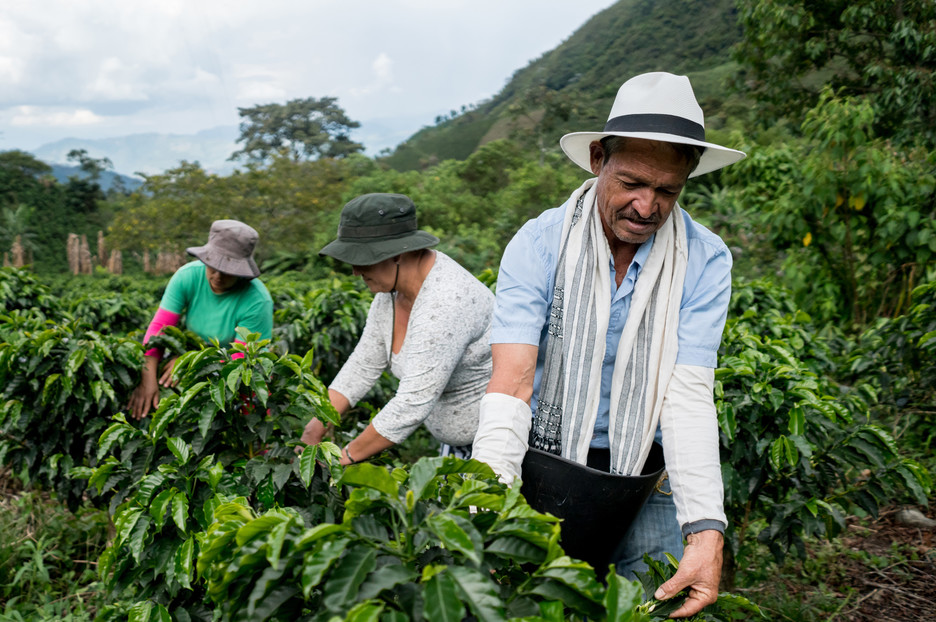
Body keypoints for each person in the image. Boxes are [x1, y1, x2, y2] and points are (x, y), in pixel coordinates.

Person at [471, 72, 746, 618]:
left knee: (653, 606)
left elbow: (686, 394)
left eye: (667, 191)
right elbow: (513, 381)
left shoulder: (704, 259)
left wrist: (706, 529)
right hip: (547, 460)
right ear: (598, 158)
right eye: (631, 183)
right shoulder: (539, 243)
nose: (647, 207)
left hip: (647, 469)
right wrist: (486, 499)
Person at [299, 193, 494, 465]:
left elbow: (413, 403)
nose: (355, 271)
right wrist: (315, 427)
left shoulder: (446, 301)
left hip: (496, 446)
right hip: (456, 448)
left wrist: (344, 457)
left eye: (363, 260)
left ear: (400, 254)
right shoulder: (391, 294)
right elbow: (363, 365)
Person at [128, 219, 273, 418]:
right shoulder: (187, 276)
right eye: (213, 266)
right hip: (196, 362)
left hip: (243, 377)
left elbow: (241, 361)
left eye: (228, 271)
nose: (218, 276)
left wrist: (192, 362)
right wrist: (148, 378)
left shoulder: (257, 300)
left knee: (247, 431)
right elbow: (159, 329)